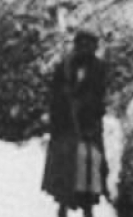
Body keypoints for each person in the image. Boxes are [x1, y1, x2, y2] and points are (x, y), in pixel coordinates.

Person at [42, 31, 109, 217]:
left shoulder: (99, 68)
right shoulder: (65, 66)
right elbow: (54, 96)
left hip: (89, 127)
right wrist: (60, 114)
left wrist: (89, 113)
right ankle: (63, 206)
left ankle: (88, 208)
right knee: (66, 171)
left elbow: (99, 96)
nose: (86, 49)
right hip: (66, 128)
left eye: (90, 45)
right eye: (82, 45)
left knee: (89, 168)